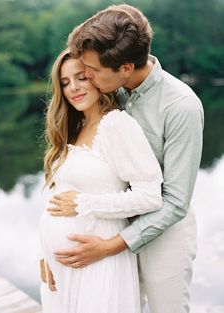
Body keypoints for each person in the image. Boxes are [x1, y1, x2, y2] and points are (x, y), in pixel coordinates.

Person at [49, 4, 204, 313]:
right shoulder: (109, 91)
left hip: (164, 234)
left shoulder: (181, 106)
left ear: (125, 68)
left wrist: (111, 245)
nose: (86, 77)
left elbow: (175, 201)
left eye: (91, 71)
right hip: (110, 224)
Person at [39, 48, 163, 313]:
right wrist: (43, 254)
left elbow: (150, 196)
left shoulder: (117, 125)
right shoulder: (72, 129)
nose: (73, 88)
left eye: (81, 77)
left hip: (98, 261)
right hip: (61, 269)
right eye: (65, 83)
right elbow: (54, 197)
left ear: (96, 77)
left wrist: (84, 203)